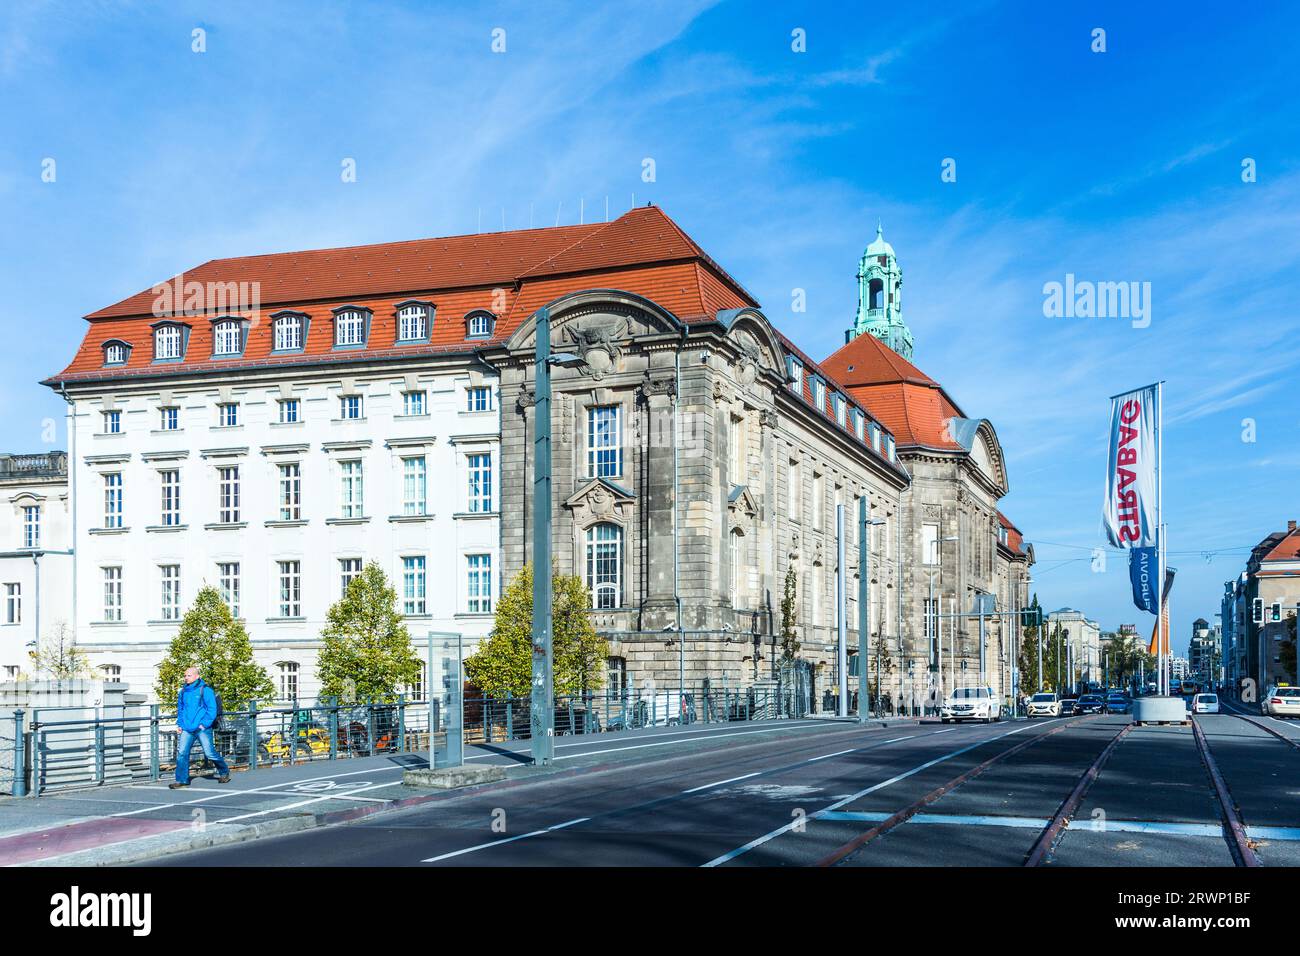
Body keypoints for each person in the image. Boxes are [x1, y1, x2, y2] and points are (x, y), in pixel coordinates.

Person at [170, 666, 231, 788]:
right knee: (182, 753)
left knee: (210, 753)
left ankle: (224, 772)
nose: (186, 678)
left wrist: (204, 724)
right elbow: (181, 710)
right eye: (185, 675)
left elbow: (212, 709)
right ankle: (182, 780)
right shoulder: (183, 692)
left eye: (189, 675)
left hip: (202, 728)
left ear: (197, 676)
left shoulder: (205, 690)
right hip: (187, 728)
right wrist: (180, 725)